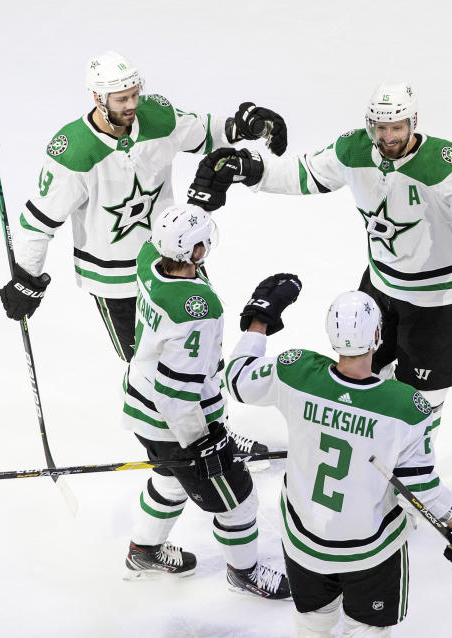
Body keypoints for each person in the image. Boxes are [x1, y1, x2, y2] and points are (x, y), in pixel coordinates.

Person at [197, 82, 452, 442]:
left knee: (421, 402)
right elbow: (302, 174)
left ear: (413, 122)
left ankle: (412, 467)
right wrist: (251, 169)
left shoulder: (442, 161)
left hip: (433, 299)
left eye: (397, 127)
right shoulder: (353, 149)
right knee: (358, 374)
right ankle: (359, 453)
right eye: (381, 128)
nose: (389, 136)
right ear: (370, 125)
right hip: (379, 285)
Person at [0, 50, 286, 453]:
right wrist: (27, 279)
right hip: (114, 278)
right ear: (98, 98)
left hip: (173, 255)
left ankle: (216, 432)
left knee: (201, 352)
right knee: (147, 365)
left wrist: (244, 126)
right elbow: (38, 221)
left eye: (134, 94)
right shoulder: (73, 149)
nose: (132, 104)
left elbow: (201, 130)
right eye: (122, 99)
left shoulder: (156, 116)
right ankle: (173, 439)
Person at [224, 285, 452, 636]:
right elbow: (418, 486)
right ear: (378, 336)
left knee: (312, 625)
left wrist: (259, 322)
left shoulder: (297, 372)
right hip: (369, 553)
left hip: (305, 542)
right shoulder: (404, 407)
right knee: (368, 631)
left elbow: (237, 378)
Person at [119, 204, 291, 600]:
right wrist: (201, 441)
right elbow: (176, 393)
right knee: (240, 503)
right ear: (192, 250)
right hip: (176, 422)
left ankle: (142, 551)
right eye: (201, 242)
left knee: (169, 480)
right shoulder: (196, 311)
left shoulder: (149, 259)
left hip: (141, 404)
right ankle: (243, 572)